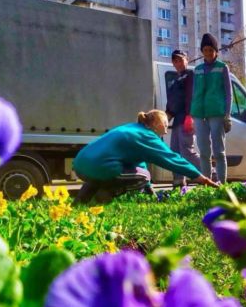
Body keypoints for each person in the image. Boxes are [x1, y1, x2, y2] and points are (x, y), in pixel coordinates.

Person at [73, 110, 218, 204]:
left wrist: (150, 191)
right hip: (100, 167)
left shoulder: (134, 128)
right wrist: (202, 178)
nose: (166, 132)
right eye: (165, 126)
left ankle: (80, 201)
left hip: (80, 165)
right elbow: (173, 160)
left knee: (100, 172)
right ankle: (104, 195)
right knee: (145, 176)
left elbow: (139, 163)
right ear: (155, 123)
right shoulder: (147, 136)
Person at [191, 33, 233, 183]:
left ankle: (222, 184)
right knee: (203, 151)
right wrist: (192, 114)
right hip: (199, 114)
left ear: (216, 50)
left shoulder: (222, 68)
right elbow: (195, 92)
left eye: (211, 49)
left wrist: (227, 115)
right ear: (202, 51)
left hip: (216, 113)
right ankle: (207, 184)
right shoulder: (198, 69)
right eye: (205, 49)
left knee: (219, 152)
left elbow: (229, 93)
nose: (208, 53)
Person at [164, 50, 200, 187]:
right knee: (175, 153)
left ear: (187, 60)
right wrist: (164, 119)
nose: (178, 63)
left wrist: (190, 116)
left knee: (187, 152)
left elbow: (191, 97)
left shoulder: (190, 75)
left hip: (187, 120)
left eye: (180, 60)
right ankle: (179, 183)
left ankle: (211, 176)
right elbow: (171, 105)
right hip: (176, 122)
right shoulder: (174, 81)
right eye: (175, 61)